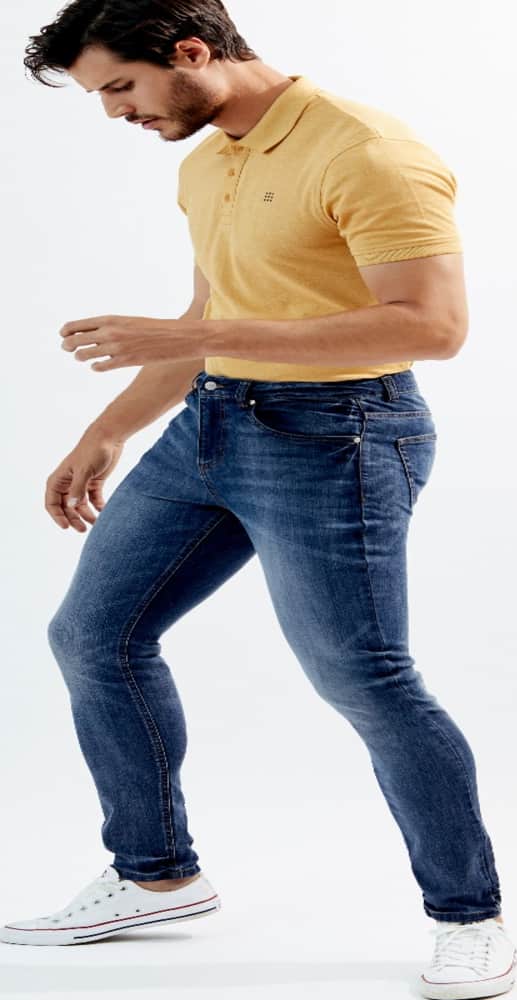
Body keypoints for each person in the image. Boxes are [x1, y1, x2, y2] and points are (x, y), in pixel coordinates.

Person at [4, 1, 514, 995]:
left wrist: (192, 336)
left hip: (337, 435)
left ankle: (470, 914)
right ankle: (156, 874)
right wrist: (107, 428)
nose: (114, 112)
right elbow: (208, 318)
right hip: (210, 423)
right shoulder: (206, 163)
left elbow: (432, 326)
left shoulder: (366, 151)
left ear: (192, 52)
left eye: (121, 86)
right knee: (93, 636)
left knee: (365, 679)